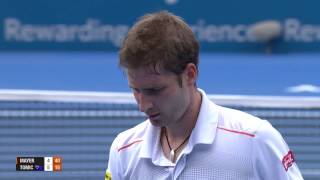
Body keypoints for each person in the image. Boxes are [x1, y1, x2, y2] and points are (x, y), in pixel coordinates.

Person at [106, 11, 303, 180]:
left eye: (154, 90)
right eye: (135, 90)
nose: (143, 105)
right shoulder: (123, 150)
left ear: (190, 74)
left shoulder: (256, 139)